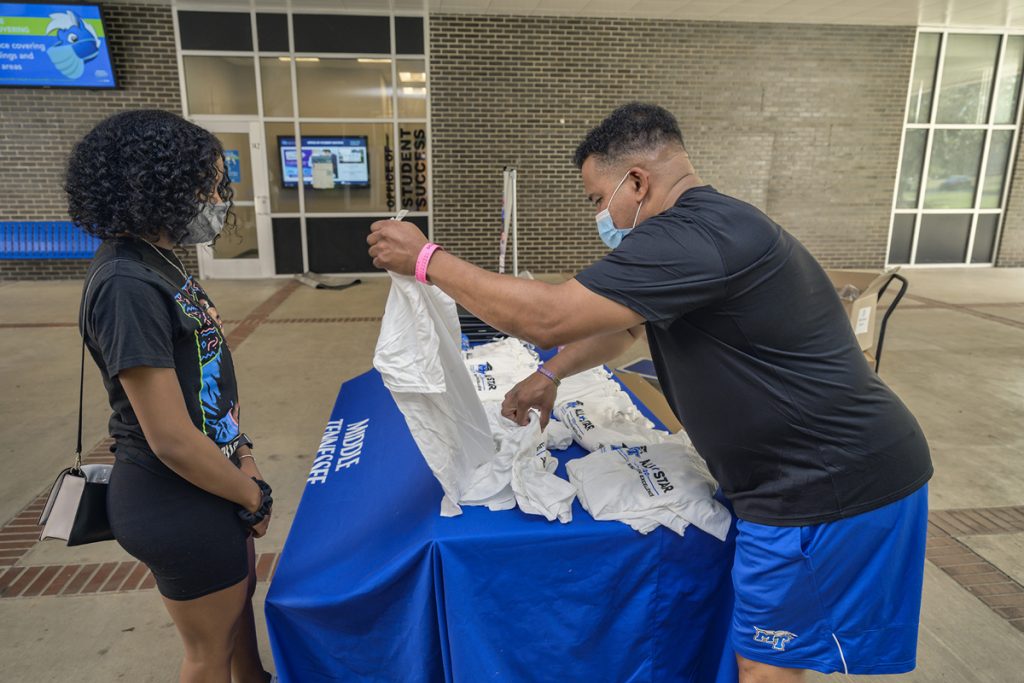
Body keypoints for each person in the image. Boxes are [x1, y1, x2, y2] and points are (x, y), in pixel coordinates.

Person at [367, 102, 932, 683]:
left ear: (636, 182)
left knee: (768, 665)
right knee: (765, 654)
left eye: (597, 199)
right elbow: (628, 326)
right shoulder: (707, 227)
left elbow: (548, 317)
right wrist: (550, 375)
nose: (599, 216)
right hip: (798, 475)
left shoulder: (692, 237)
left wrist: (426, 260)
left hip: (824, 483)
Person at [65, 109, 274, 683]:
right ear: (154, 184)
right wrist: (251, 497)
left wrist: (244, 456)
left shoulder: (158, 261)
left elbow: (203, 384)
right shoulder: (125, 284)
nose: (217, 199)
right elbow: (171, 437)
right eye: (206, 185)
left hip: (216, 480)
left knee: (236, 619)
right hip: (176, 496)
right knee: (208, 653)